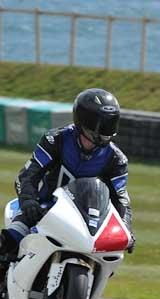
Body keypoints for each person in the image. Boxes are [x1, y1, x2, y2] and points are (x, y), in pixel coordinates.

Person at [0, 88, 133, 256]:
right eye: (100, 124)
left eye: (109, 124)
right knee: (10, 240)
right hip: (43, 208)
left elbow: (121, 199)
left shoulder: (116, 159)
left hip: (86, 222)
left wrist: (125, 228)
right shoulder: (56, 139)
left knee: (110, 257)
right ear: (83, 121)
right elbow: (27, 175)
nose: (104, 131)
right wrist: (28, 202)